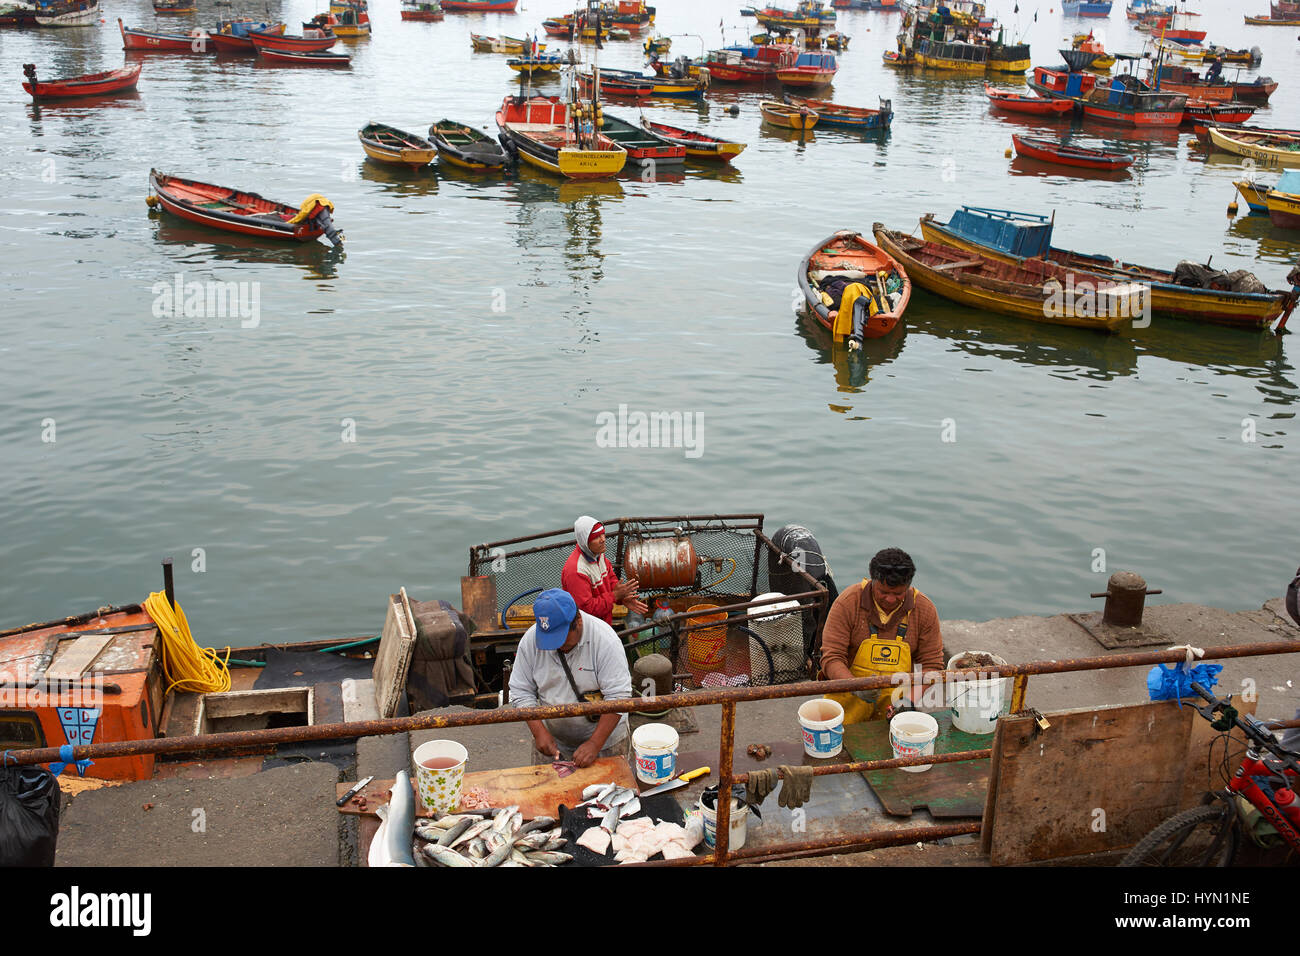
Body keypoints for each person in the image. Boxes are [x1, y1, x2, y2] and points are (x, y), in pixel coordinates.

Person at [508, 588, 633, 767]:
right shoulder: (530, 640)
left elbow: (619, 696)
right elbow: (521, 690)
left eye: (561, 638)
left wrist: (594, 744)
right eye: (549, 639)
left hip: (605, 743)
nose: (556, 646)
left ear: (578, 621)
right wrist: (539, 732)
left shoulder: (605, 641)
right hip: (554, 741)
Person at [819, 547, 944, 723]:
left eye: (898, 593)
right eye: (883, 592)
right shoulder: (848, 603)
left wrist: (908, 702)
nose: (890, 599)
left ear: (908, 586)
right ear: (872, 582)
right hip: (848, 700)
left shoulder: (924, 609)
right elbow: (831, 657)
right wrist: (856, 687)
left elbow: (932, 665)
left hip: (895, 704)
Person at [561, 516, 647, 624]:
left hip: (603, 622)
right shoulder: (576, 571)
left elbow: (610, 578)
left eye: (603, 534)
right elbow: (587, 610)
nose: (603, 539)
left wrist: (622, 597)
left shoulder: (598, 554)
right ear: (585, 542)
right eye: (596, 537)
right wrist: (615, 595)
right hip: (586, 629)